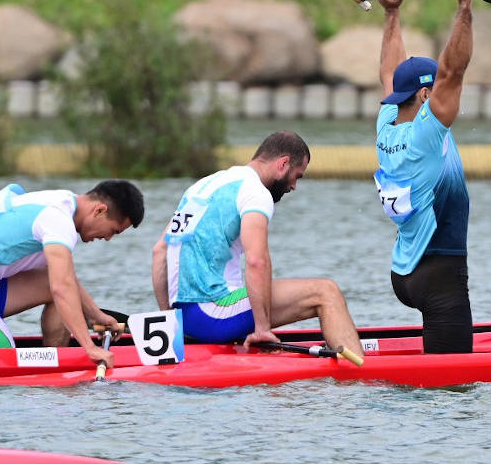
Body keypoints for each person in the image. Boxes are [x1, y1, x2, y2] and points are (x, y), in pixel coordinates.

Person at [152, 130, 363, 357]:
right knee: (326, 292)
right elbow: (256, 261)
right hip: (213, 315)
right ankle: (361, 375)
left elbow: (160, 252)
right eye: (297, 176)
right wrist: (262, 329)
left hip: (185, 318)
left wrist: (171, 322)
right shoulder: (254, 192)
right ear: (283, 164)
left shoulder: (202, 186)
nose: (294, 186)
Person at [0, 180, 145, 370]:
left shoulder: (63, 201)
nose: (108, 238)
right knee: (5, 367)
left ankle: (56, 365)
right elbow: (61, 288)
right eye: (114, 231)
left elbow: (66, 281)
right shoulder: (58, 220)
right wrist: (90, 348)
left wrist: (96, 315)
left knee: (52, 284)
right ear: (99, 210)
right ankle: (52, 368)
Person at [373, 0, 474, 353]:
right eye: (437, 91)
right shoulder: (426, 135)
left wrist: (391, 14)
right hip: (440, 277)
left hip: (404, 273)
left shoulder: (385, 121)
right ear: (425, 94)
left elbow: (390, 71)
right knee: (454, 393)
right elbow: (454, 71)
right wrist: (464, 10)